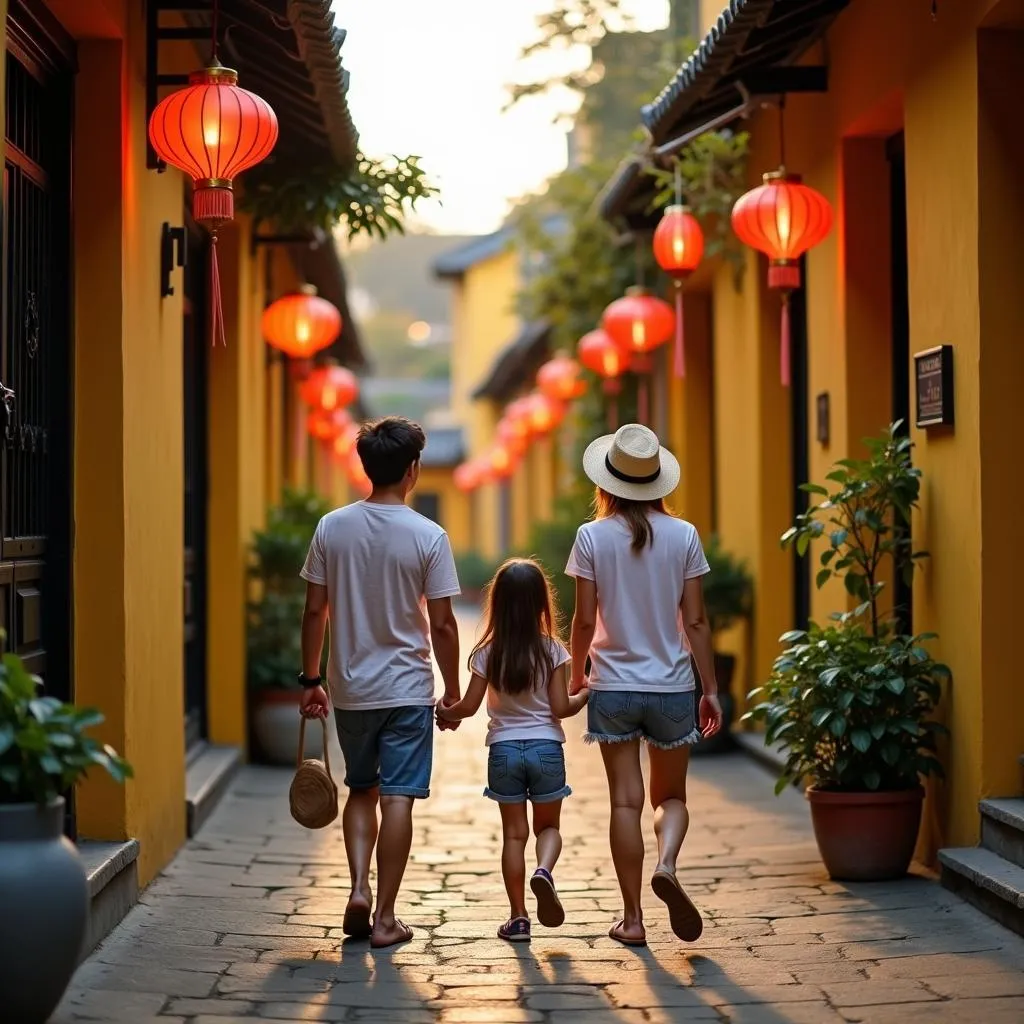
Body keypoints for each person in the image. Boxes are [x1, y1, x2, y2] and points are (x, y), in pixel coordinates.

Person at [298, 416, 462, 949]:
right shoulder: (429, 536)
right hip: (407, 689)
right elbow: (441, 622)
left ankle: (359, 888)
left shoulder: (332, 527)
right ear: (413, 470)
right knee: (399, 798)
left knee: (361, 789)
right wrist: (453, 687)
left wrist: (311, 679)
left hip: (350, 689)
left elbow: (314, 611)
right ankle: (386, 917)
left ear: (365, 467)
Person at [565, 423, 723, 948]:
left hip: (612, 686)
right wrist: (712, 689)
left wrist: (576, 673)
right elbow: (696, 622)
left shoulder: (592, 537)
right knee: (670, 796)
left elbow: (584, 621)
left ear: (606, 483)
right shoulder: (684, 535)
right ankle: (668, 862)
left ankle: (632, 919)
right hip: (673, 685)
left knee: (625, 803)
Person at [436, 558, 588, 943]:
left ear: (498, 603)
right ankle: (545, 872)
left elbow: (468, 707)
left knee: (514, 836)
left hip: (503, 752)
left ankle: (518, 917)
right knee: (548, 827)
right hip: (546, 749)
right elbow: (560, 708)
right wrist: (586, 693)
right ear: (542, 604)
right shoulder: (553, 651)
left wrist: (445, 712)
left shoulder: (487, 652)